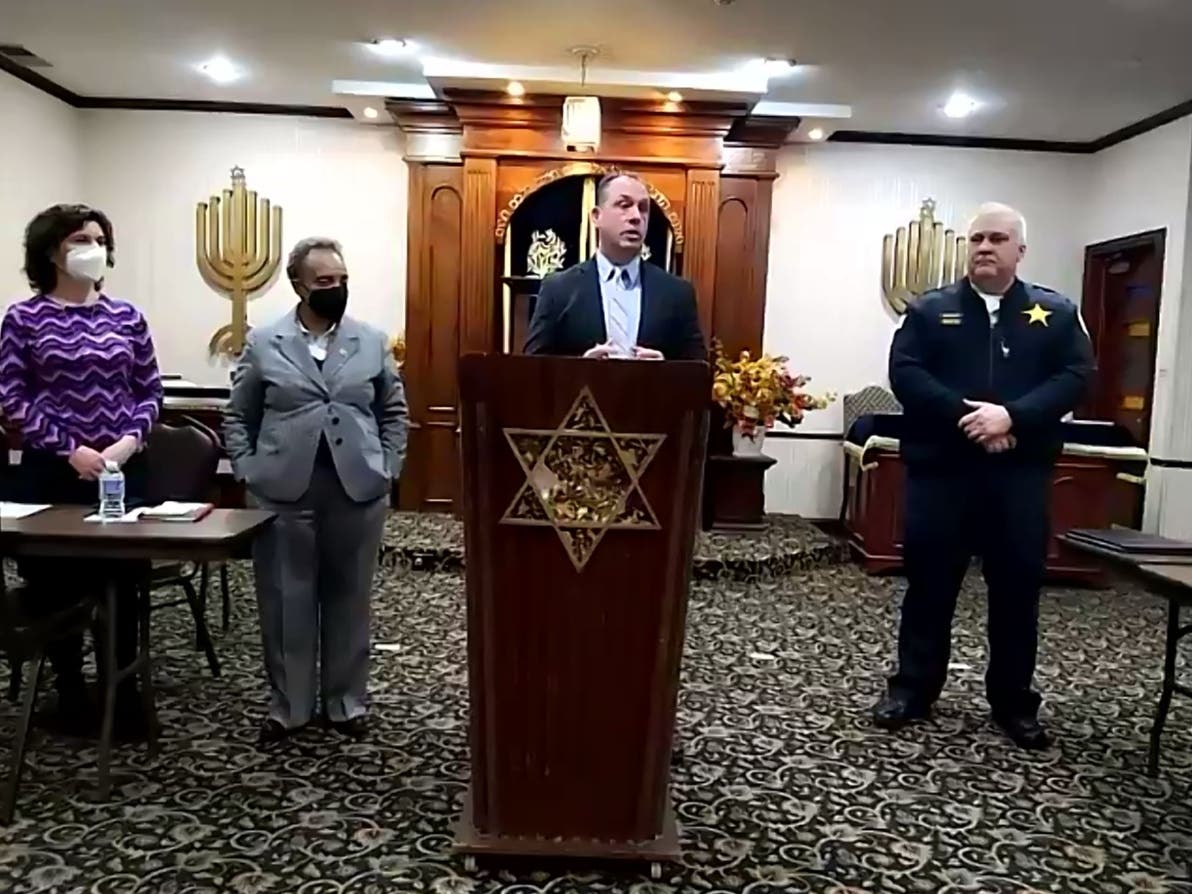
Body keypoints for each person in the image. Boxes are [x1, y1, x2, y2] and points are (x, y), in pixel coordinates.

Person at [871, 202, 1094, 749]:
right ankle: (913, 689)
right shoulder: (929, 310)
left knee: (1017, 590)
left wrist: (1013, 417)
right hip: (943, 471)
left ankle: (1014, 701)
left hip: (1017, 474)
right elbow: (905, 373)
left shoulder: (1055, 313)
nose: (984, 248)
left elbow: (1076, 375)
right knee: (929, 586)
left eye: (997, 239)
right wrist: (969, 418)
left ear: (1021, 250)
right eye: (976, 239)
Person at [225, 237, 408, 745]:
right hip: (283, 489)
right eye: (325, 281)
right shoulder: (266, 342)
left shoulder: (370, 340)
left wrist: (389, 467)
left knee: (350, 598)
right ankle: (291, 707)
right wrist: (247, 470)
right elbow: (239, 414)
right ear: (299, 286)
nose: (336, 289)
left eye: (342, 280)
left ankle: (346, 703)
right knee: (286, 600)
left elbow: (393, 410)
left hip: (357, 488)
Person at [0, 203, 162, 738]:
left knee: (122, 582)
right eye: (79, 239)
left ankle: (123, 691)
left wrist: (127, 442)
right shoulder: (23, 319)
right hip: (53, 472)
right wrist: (70, 448)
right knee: (57, 586)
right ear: (51, 251)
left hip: (121, 473)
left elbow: (148, 390)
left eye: (98, 238)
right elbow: (13, 396)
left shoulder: (127, 317)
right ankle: (68, 690)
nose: (93, 247)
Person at [523, 172, 706, 360]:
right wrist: (579, 370)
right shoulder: (558, 289)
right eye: (624, 205)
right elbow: (532, 370)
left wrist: (665, 371)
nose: (636, 217)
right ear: (596, 216)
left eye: (643, 208)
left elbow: (700, 373)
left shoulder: (677, 293)